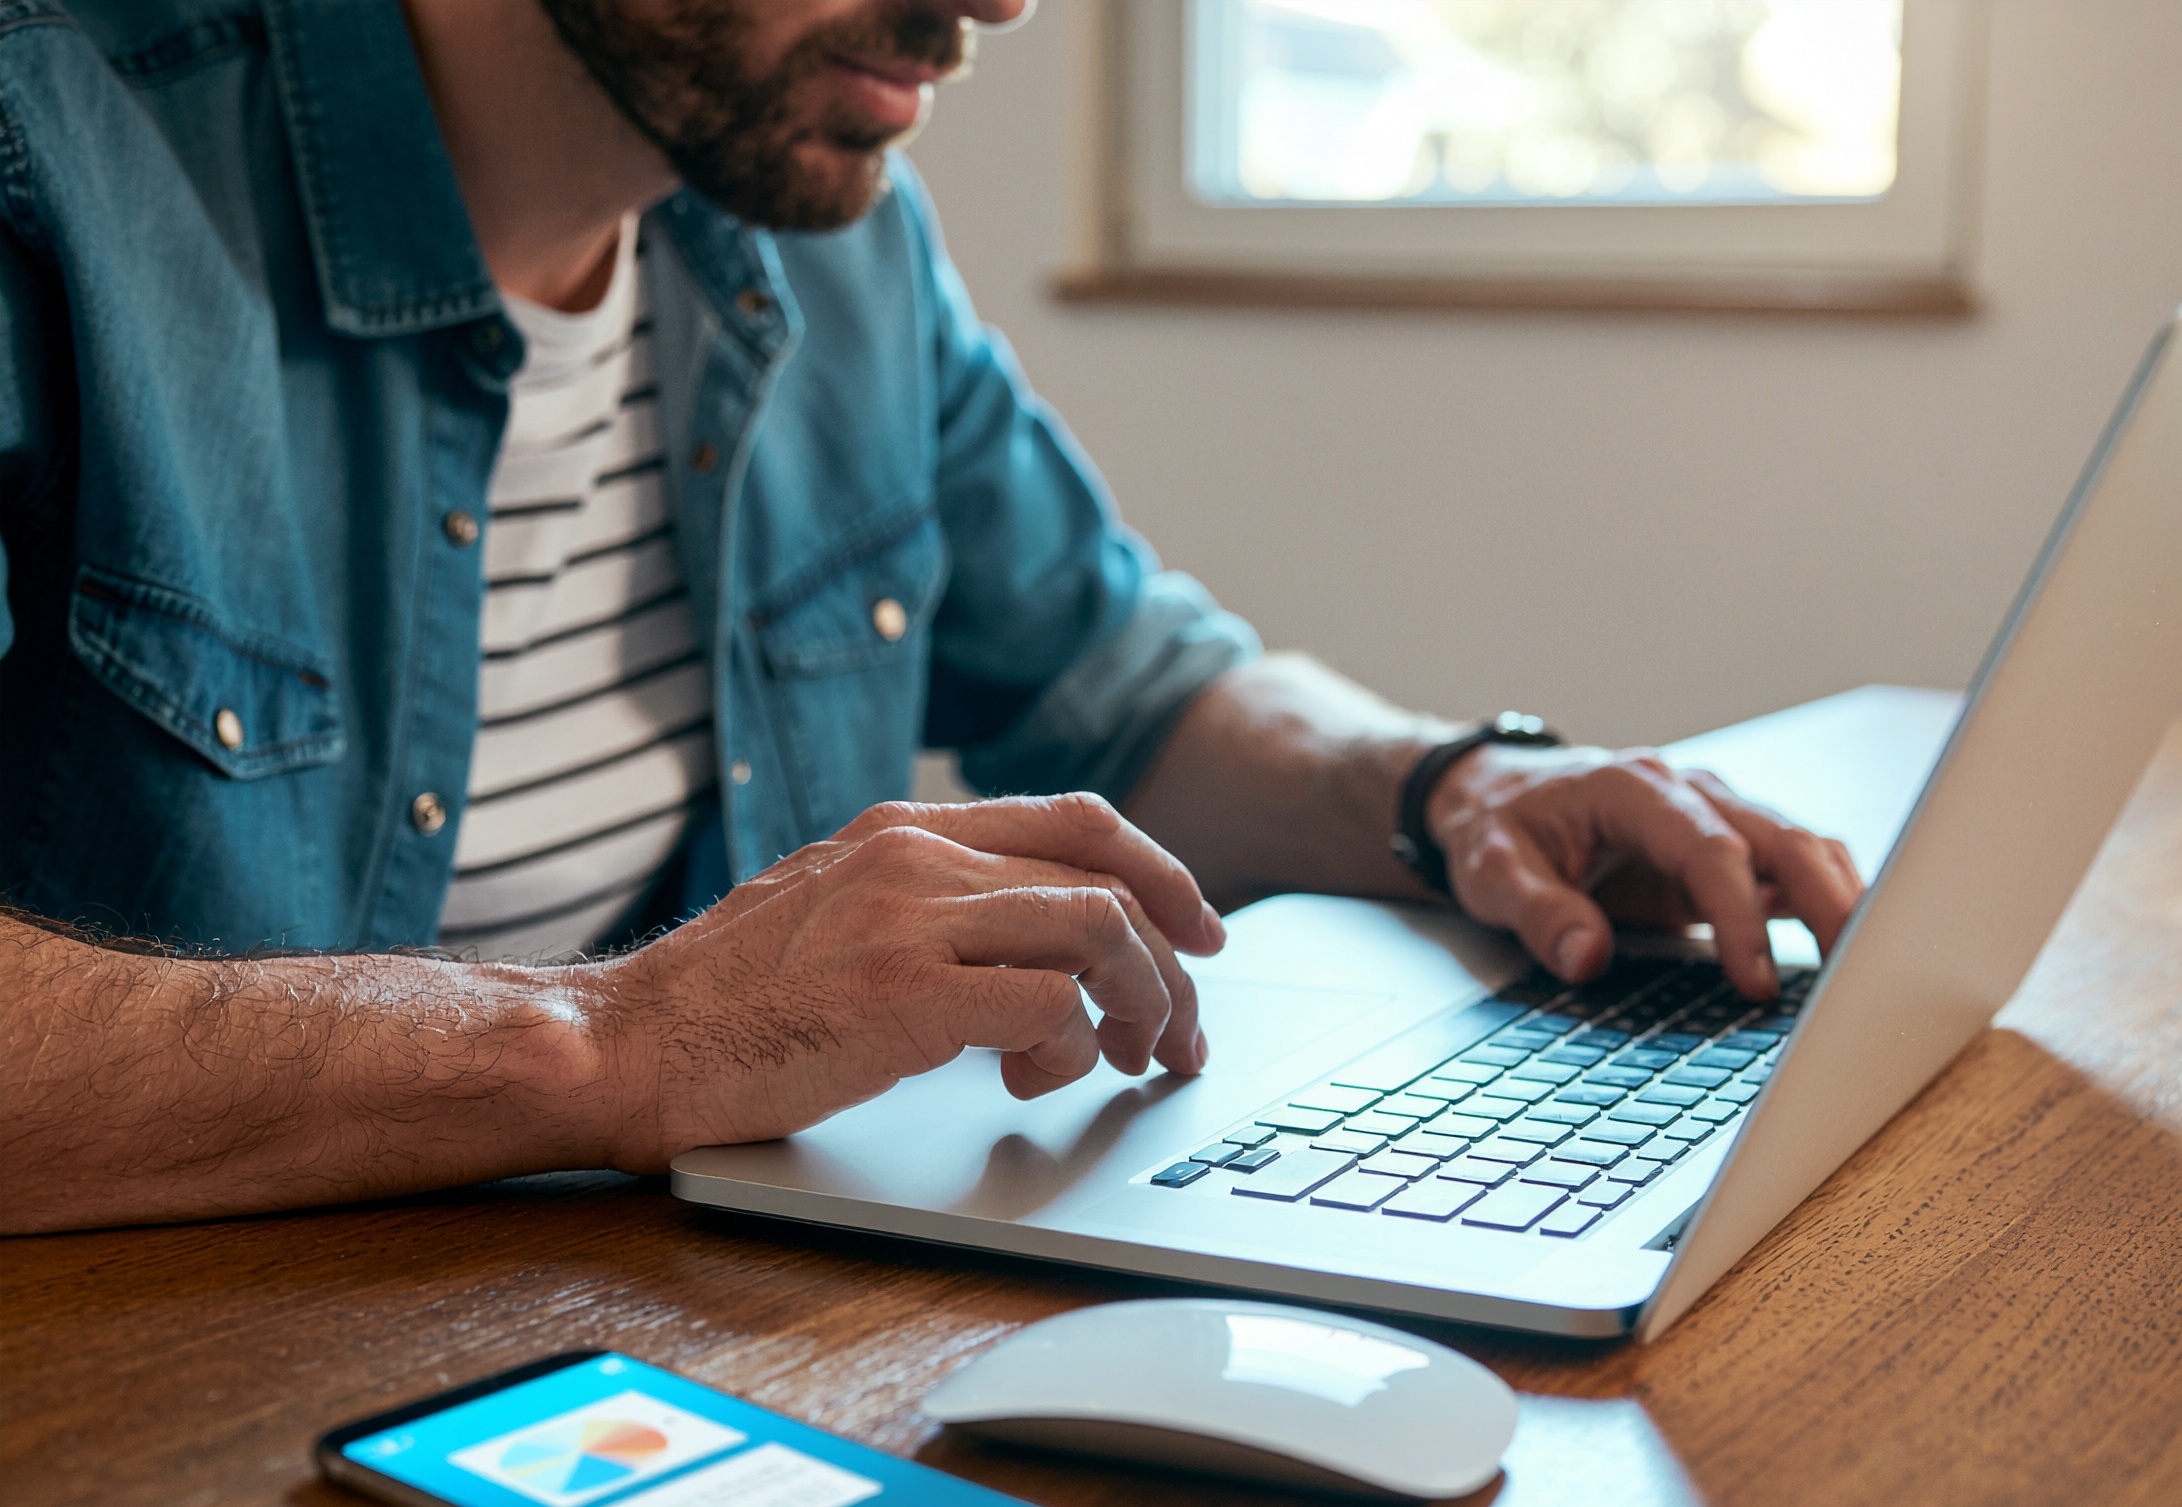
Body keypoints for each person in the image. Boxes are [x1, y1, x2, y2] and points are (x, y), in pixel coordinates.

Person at [0, 0, 1863, 1235]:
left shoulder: (824, 229)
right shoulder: (49, 153)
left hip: (663, 1344)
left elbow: (1123, 687)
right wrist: (617, 1045)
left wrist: (1450, 786)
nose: (996, 2)